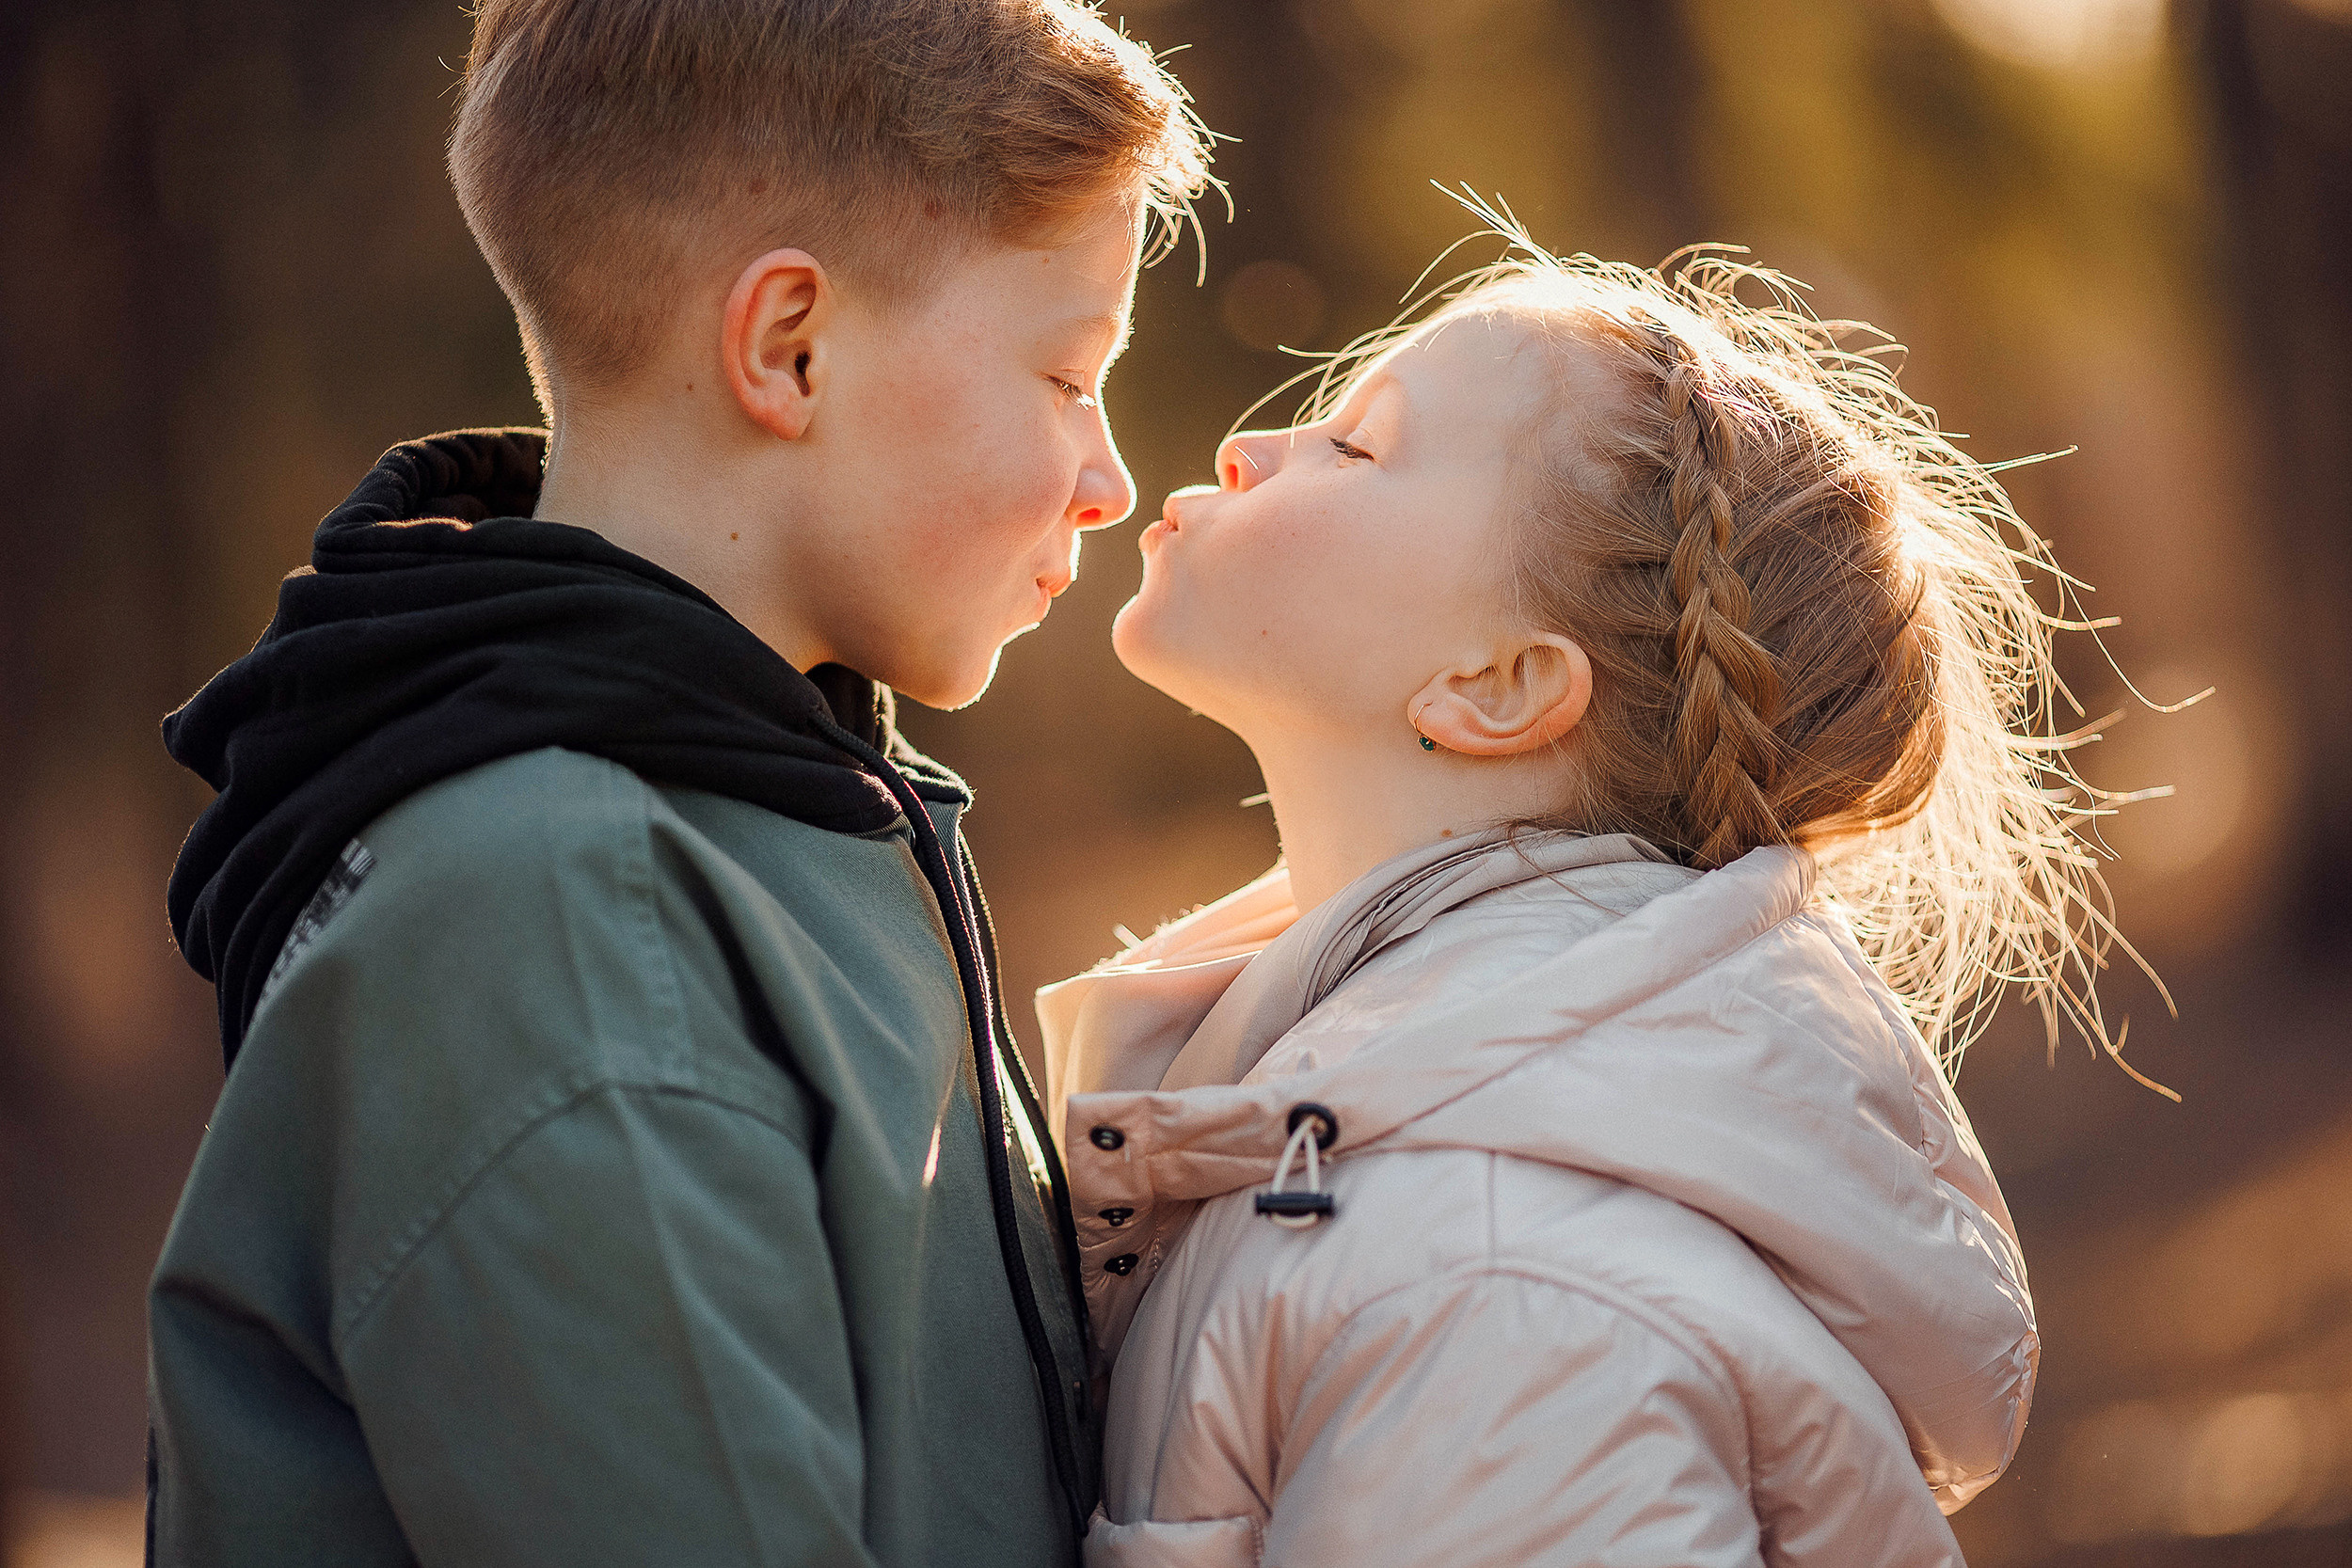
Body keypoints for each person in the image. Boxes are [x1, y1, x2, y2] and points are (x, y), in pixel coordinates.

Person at [148, 2, 1209, 1562]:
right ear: (790, 347)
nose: (1110, 482)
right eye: (1067, 374)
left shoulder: (795, 818)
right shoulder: (562, 928)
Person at [1041, 227, 2107, 1565]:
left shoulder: (1497, 1288)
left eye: (1356, 446)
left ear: (1499, 686)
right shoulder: (1364, 1135)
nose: (1249, 448)